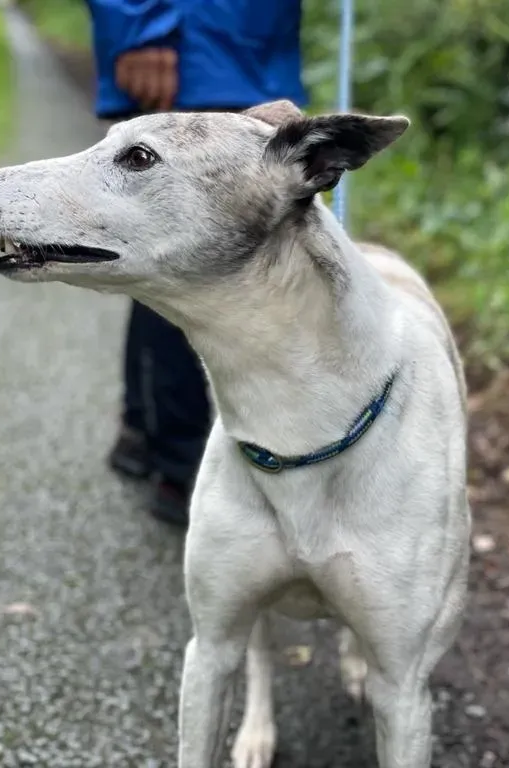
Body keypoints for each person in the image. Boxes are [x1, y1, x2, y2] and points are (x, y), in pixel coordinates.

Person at [83, 0, 308, 528]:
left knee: (169, 249)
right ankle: (180, 463)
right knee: (195, 258)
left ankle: (145, 428)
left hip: (251, 41)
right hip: (190, 45)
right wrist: (140, 26)